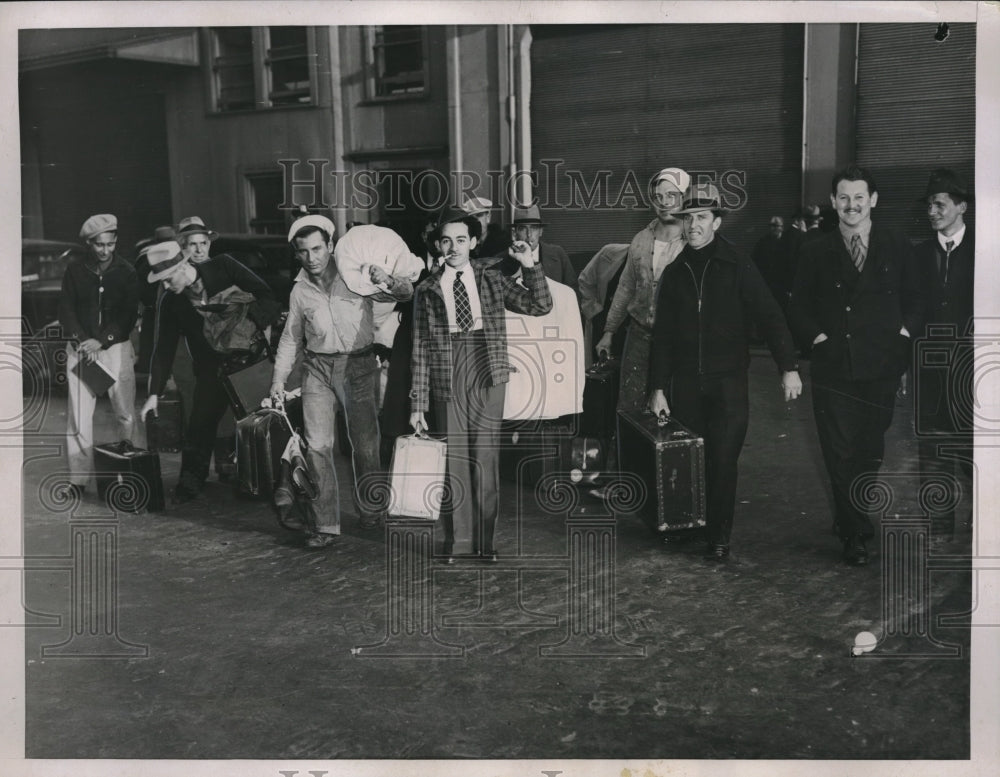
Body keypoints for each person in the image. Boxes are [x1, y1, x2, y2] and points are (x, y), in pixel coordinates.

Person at [650, 183, 801, 562]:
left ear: (716, 222)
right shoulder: (675, 271)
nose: (694, 225)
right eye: (688, 219)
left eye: (702, 218)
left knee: (723, 458)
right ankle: (694, 525)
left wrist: (789, 367)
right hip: (685, 383)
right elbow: (663, 336)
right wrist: (656, 388)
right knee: (691, 460)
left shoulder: (737, 264)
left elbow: (770, 316)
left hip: (728, 383)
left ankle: (719, 536)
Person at [788, 164, 924, 566]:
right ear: (833, 202)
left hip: (881, 365)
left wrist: (903, 334)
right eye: (843, 198)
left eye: (859, 198)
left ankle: (851, 512)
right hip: (834, 367)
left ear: (873, 201)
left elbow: (916, 299)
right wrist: (817, 339)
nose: (851, 205)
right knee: (840, 449)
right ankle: (855, 532)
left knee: (869, 449)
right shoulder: (815, 249)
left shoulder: (898, 245)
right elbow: (797, 304)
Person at [409, 208, 552, 563]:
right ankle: (458, 544)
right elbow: (420, 349)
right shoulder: (426, 289)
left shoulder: (490, 277)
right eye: (447, 240)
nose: (454, 247)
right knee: (454, 459)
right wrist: (418, 404)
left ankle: (486, 544)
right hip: (448, 369)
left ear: (473, 242)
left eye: (461, 239)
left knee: (485, 458)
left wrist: (530, 263)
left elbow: (540, 305)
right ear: (438, 245)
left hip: (488, 368)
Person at [269, 215, 414, 548]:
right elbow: (291, 338)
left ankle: (372, 511)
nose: (312, 257)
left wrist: (388, 279)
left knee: (365, 444)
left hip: (359, 366)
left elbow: (406, 294)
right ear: (296, 253)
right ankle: (325, 524)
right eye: (303, 251)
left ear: (331, 246)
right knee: (317, 445)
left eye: (318, 248)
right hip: (317, 369)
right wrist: (278, 379)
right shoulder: (299, 290)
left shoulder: (355, 274)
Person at [140, 239, 281, 503]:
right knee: (199, 425)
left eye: (168, 279)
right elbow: (163, 348)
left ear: (183, 266)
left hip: (248, 363)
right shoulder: (172, 301)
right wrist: (153, 393)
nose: (166, 286)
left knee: (260, 424)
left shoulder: (225, 267)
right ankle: (190, 484)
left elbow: (267, 295)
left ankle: (269, 481)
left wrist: (248, 326)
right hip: (210, 369)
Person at [596, 166, 689, 421]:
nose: (664, 202)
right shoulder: (640, 240)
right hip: (640, 335)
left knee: (674, 406)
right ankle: (631, 460)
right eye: (658, 196)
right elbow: (625, 289)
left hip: (678, 340)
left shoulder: (692, 241)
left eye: (671, 195)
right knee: (630, 404)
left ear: (684, 196)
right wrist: (608, 333)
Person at [58, 213, 139, 499]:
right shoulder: (75, 270)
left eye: (110, 244)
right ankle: (78, 480)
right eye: (99, 245)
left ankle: (128, 470)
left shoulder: (127, 271)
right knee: (79, 417)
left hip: (115, 349)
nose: (105, 250)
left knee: (124, 412)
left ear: (116, 241)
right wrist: (83, 341)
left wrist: (102, 340)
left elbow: (128, 315)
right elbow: (66, 310)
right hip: (81, 351)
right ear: (89, 244)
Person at [914, 168, 974, 539]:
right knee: (932, 448)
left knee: (973, 448)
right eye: (929, 204)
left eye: (940, 204)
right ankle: (938, 525)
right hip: (929, 369)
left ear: (961, 207)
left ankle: (987, 518)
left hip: (973, 369)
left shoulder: (985, 250)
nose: (932, 211)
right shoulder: (918, 254)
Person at [577, 242, 630, 363]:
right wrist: (595, 313)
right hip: (601, 322)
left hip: (632, 331)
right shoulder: (609, 253)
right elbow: (585, 281)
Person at [507, 205, 577, 291]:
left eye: (534, 228)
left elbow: (572, 291)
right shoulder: (501, 261)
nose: (529, 234)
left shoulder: (558, 254)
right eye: (523, 229)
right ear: (515, 233)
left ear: (540, 231)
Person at [751, 216, 787, 311]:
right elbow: (755, 261)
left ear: (782, 227)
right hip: (768, 282)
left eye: (776, 226)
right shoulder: (762, 243)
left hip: (783, 283)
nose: (773, 228)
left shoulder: (788, 242)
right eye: (771, 226)